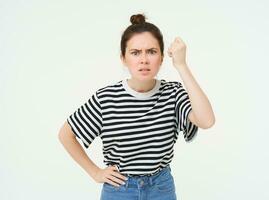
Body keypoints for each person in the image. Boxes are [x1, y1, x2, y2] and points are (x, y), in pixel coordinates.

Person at [58, 13, 215, 200]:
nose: (144, 60)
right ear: (123, 58)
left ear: (162, 57)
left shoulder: (173, 93)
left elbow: (206, 120)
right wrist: (95, 172)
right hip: (120, 189)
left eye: (151, 51)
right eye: (135, 52)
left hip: (161, 188)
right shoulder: (106, 98)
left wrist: (181, 65)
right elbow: (66, 134)